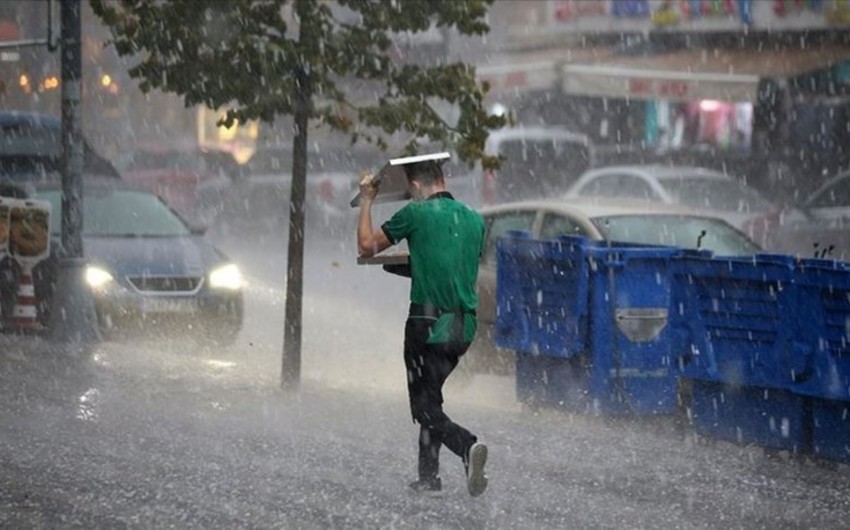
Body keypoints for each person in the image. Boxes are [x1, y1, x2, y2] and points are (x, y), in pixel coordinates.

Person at [356, 157, 489, 497]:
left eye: (410, 190)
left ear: (415, 185)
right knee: (432, 397)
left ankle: (466, 446)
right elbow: (451, 266)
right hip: (464, 328)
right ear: (442, 178)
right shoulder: (474, 220)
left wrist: (368, 200)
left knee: (424, 407)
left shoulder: (415, 214)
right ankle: (428, 477)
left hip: (427, 325)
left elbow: (366, 246)